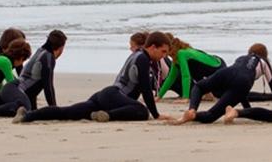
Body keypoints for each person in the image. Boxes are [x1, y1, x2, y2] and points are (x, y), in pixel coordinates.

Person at [12, 31, 173, 123]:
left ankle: (27, 116)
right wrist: (156, 115)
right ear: (152, 47)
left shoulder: (137, 55)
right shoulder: (144, 59)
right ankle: (107, 115)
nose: (164, 56)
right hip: (114, 96)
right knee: (141, 111)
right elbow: (145, 89)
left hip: (106, 95)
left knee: (67, 112)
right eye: (163, 52)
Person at [0, 30, 68, 118]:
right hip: (16, 91)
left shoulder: (40, 52)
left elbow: (32, 87)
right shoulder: (48, 57)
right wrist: (55, 110)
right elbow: (48, 86)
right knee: (23, 107)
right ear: (61, 47)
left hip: (11, 89)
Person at [172, 43, 272, 124]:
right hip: (243, 81)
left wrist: (246, 107)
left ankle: (192, 110)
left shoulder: (241, 57)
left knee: (199, 86)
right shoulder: (264, 62)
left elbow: (241, 91)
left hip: (226, 72)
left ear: (249, 52)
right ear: (265, 55)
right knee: (211, 115)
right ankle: (232, 112)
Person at [157, 35, 226, 101]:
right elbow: (171, 77)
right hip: (207, 70)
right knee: (193, 69)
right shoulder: (177, 56)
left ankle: (208, 92)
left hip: (218, 68)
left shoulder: (181, 53)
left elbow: (186, 76)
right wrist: (159, 96)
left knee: (221, 94)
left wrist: (185, 97)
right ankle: (207, 93)